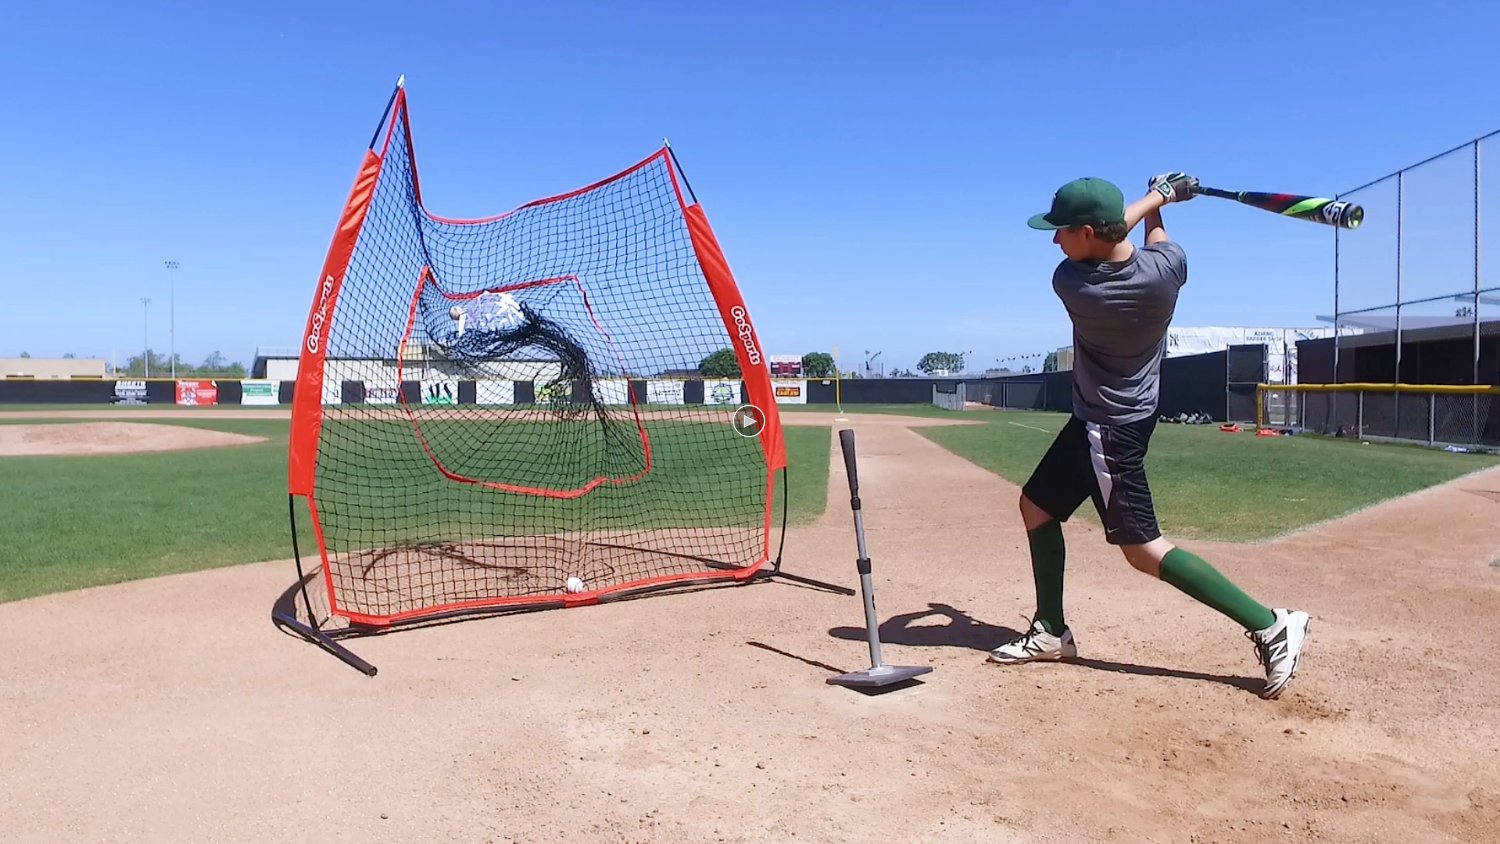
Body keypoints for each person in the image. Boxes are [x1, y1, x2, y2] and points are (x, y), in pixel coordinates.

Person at [987, 173, 1311, 700]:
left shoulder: (1074, 283)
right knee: (1035, 507)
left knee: (1142, 549)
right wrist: (1164, 202)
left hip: (1108, 430)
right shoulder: (1167, 272)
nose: (1055, 240)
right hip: (1112, 417)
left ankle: (1271, 623)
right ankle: (1050, 630)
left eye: (1063, 230)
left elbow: (1130, 228)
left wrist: (1158, 195)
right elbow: (1154, 240)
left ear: (1089, 232)